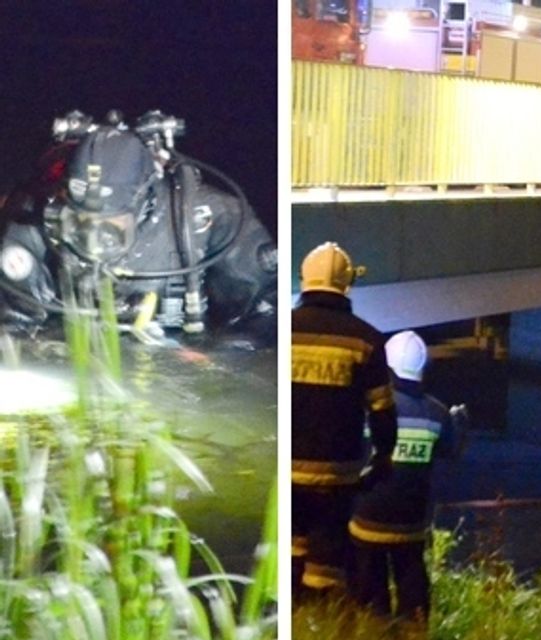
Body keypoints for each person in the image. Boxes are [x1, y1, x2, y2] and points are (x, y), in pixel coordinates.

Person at [0, 110, 276, 338]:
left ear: (144, 204)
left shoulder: (207, 217)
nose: (95, 239)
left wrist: (218, 363)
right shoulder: (34, 218)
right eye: (80, 223)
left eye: (112, 227)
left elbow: (264, 312)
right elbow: (14, 324)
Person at [291, 242, 397, 596]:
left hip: (288, 468)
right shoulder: (365, 340)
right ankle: (320, 623)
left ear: (304, 278)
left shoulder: (286, 330)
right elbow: (381, 410)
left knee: (291, 545)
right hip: (337, 473)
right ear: (346, 283)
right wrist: (384, 456)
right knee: (327, 556)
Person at [348, 330, 467, 621]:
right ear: (423, 368)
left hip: (368, 519)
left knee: (369, 592)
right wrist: (460, 424)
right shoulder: (437, 414)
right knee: (413, 588)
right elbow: (451, 452)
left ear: (386, 367)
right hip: (411, 523)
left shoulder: (368, 407)